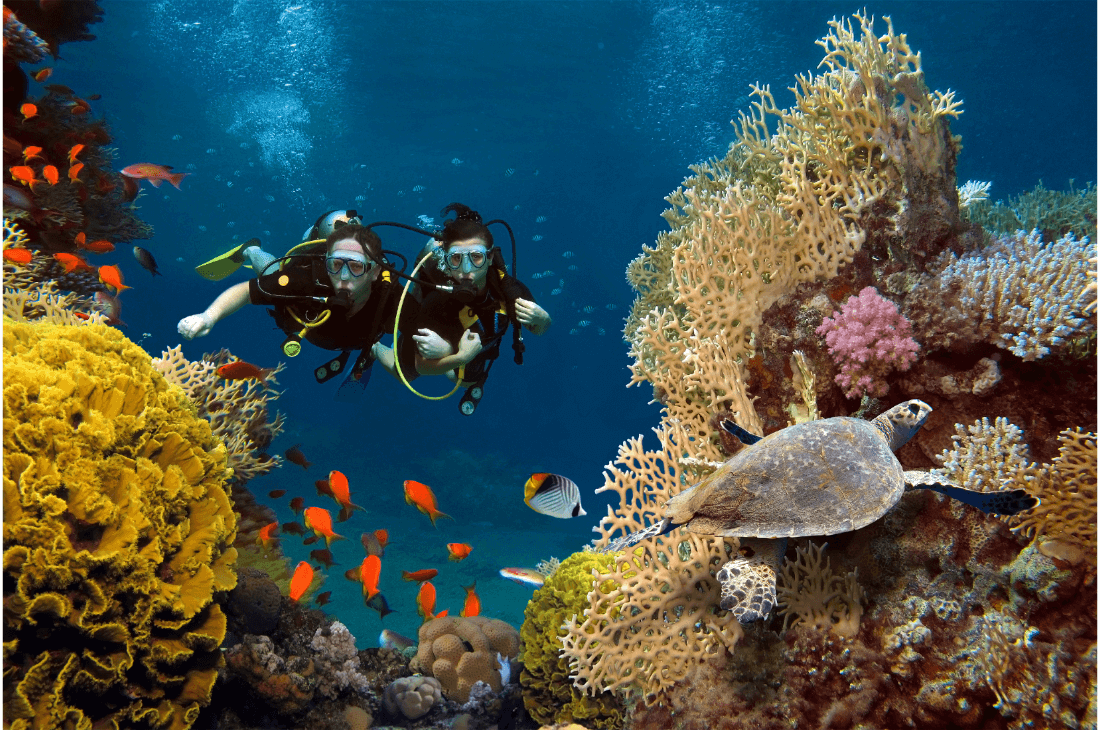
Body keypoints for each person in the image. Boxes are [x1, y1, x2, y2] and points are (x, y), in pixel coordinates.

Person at [178, 211, 418, 390]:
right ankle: (251, 250)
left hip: (359, 339)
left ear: (375, 271)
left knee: (403, 370)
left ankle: (373, 349)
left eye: (356, 267)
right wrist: (208, 316)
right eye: (336, 265)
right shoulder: (307, 278)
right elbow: (246, 292)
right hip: (297, 317)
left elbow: (425, 335)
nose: (344, 278)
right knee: (272, 274)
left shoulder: (390, 294)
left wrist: (450, 356)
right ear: (326, 261)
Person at [373, 203, 551, 414]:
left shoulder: (510, 291)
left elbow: (538, 329)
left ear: (491, 257)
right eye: (456, 259)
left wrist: (543, 319)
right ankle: (374, 348)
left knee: (466, 381)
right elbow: (420, 365)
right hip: (446, 342)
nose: (467, 271)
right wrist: (457, 357)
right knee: (405, 375)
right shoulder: (436, 302)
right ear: (447, 262)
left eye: (476, 257)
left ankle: (452, 361)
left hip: (477, 348)